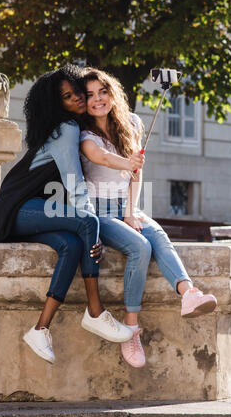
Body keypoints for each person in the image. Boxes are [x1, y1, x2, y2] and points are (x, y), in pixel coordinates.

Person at [0, 65, 136, 363]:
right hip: (19, 207)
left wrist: (88, 234)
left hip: (36, 208)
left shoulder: (71, 128)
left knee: (72, 245)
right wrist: (93, 228)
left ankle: (39, 329)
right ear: (55, 103)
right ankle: (96, 311)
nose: (75, 98)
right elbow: (74, 185)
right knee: (88, 222)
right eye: (66, 96)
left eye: (76, 92)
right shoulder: (67, 129)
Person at [79, 67, 217, 369]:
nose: (98, 99)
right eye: (90, 95)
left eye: (102, 92)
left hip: (127, 205)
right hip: (99, 210)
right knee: (139, 247)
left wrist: (131, 211)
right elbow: (100, 157)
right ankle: (131, 328)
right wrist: (128, 162)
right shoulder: (84, 133)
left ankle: (188, 293)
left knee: (158, 237)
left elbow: (136, 175)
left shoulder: (131, 124)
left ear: (112, 92)